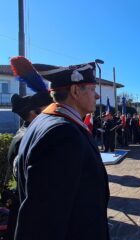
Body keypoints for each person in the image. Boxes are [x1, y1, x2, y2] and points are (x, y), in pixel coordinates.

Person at [15, 61, 110, 240]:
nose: (96, 95)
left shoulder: (44, 122)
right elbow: (43, 223)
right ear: (75, 91)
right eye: (91, 89)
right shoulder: (63, 134)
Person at [5, 56, 54, 240]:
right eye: (47, 110)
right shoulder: (27, 138)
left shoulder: (28, 132)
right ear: (34, 113)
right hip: (29, 215)